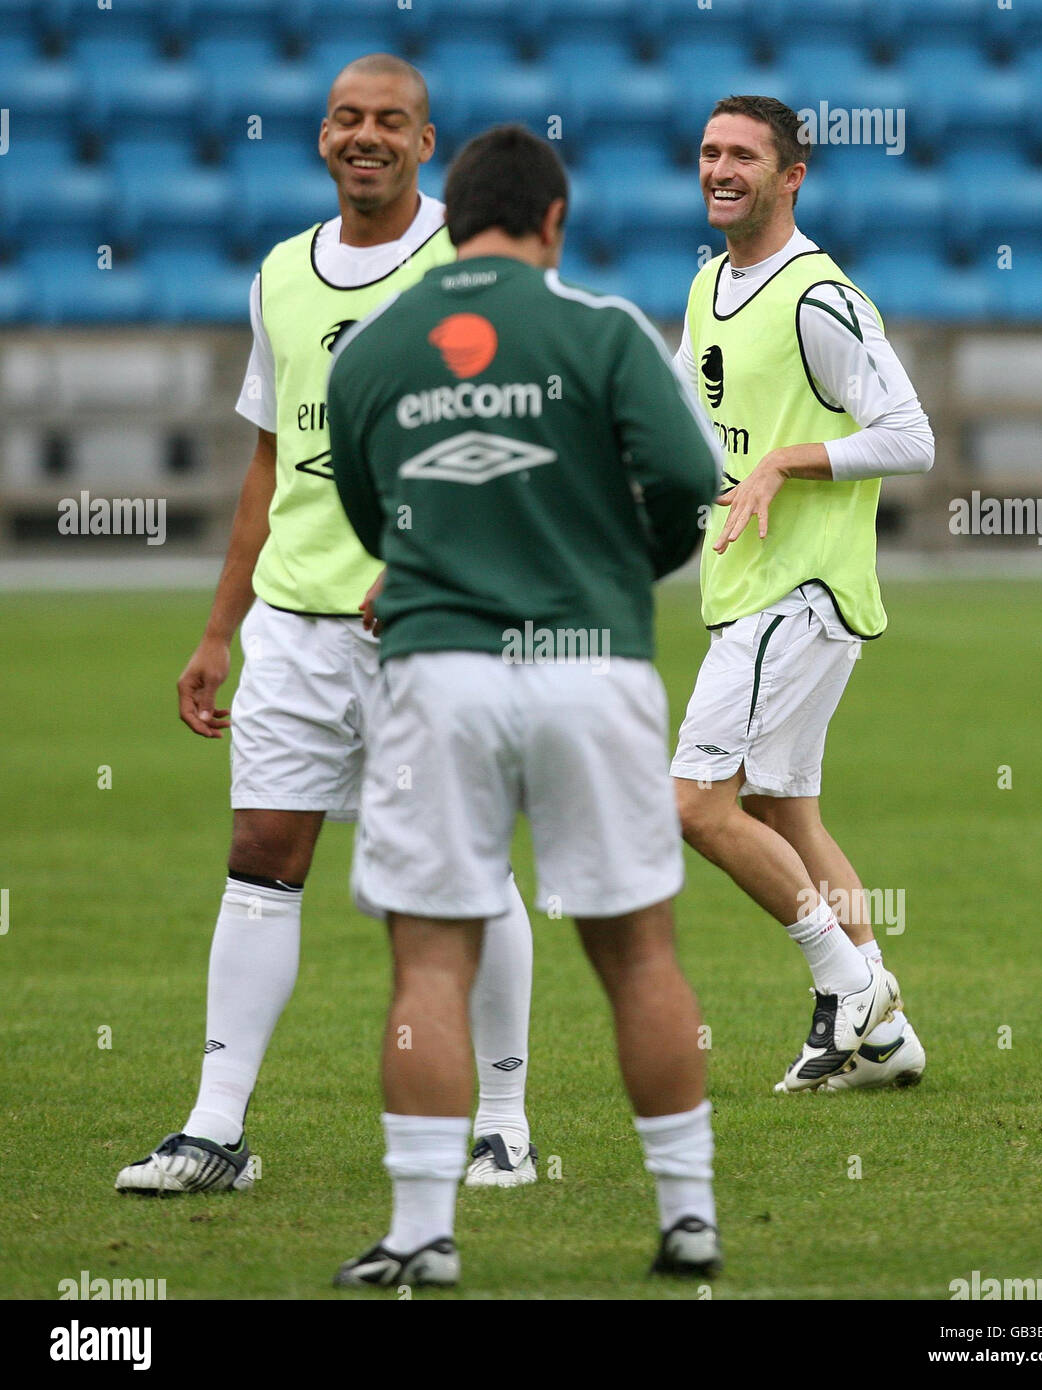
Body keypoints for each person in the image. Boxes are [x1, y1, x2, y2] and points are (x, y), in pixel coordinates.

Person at [115, 57, 536, 1197]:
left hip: (435, 623)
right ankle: (215, 1130)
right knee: (261, 856)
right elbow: (268, 459)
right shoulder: (280, 275)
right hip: (295, 626)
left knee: (465, 867)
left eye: (390, 122)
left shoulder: (466, 260)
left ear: (425, 139)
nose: (367, 137)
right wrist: (219, 629)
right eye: (348, 118)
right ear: (321, 136)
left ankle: (502, 1121)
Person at [326, 124, 724, 1288]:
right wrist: (608, 570)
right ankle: (689, 1218)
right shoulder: (601, 328)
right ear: (554, 223)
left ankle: (420, 1236)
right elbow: (693, 485)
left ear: (450, 224)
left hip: (439, 671)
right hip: (593, 666)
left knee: (431, 964)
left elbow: (370, 515)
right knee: (639, 951)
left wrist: (446, 560)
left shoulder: (376, 345)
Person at [672, 96, 933, 1093]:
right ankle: (883, 1032)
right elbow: (690, 429)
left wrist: (788, 460)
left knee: (698, 803)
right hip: (750, 586)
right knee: (784, 809)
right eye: (708, 152)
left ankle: (848, 982)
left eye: (744, 154)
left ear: (791, 176)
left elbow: (911, 437)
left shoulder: (819, 297)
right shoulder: (707, 287)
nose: (720, 167)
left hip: (805, 590)